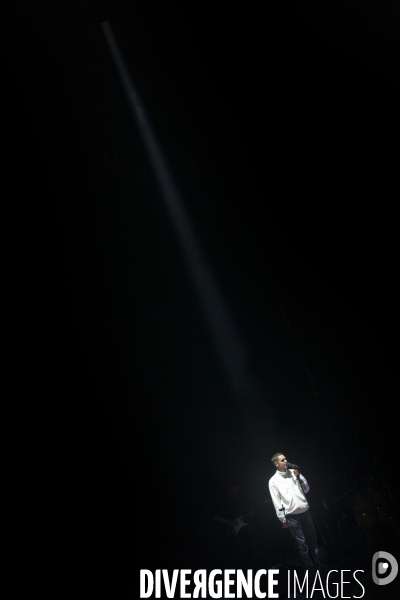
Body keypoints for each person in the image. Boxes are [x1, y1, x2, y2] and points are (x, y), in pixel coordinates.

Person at [268, 452, 319, 567]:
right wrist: (282, 519)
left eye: (286, 459)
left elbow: (306, 488)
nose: (286, 461)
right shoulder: (273, 481)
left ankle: (319, 564)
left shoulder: (293, 473)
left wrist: (299, 477)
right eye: (282, 460)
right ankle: (310, 571)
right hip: (292, 516)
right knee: (302, 545)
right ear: (276, 464)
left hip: (305, 511)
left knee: (313, 540)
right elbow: (276, 501)